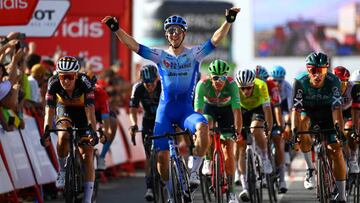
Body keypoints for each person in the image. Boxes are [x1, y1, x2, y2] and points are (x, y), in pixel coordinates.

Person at [102, 7, 240, 202]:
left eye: (177, 30)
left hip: (185, 110)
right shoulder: (160, 56)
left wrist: (229, 21)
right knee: (162, 158)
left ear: (183, 33)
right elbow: (134, 45)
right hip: (164, 112)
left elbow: (215, 39)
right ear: (166, 35)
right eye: (170, 31)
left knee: (203, 127)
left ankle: (194, 171)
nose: (173, 34)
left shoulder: (194, 54)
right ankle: (169, 193)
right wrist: (116, 29)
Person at [291, 52, 346, 202]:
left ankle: (341, 196)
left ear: (326, 70)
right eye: (313, 70)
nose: (317, 75)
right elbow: (295, 111)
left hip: (328, 113)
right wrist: (294, 133)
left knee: (336, 150)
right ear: (308, 70)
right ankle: (310, 169)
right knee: (302, 126)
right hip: (308, 112)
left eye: (320, 71)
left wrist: (339, 131)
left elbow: (336, 110)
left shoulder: (334, 81)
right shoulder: (300, 82)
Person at [42, 56, 98, 203]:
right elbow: (49, 109)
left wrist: (93, 129)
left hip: (82, 113)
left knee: (87, 153)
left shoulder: (85, 82)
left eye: (69, 77)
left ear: (76, 75)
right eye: (62, 76)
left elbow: (90, 109)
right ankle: (62, 170)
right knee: (63, 135)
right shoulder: (53, 82)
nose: (66, 81)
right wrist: (46, 130)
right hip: (64, 109)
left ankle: (87, 199)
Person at [194, 59, 242, 203]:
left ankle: (232, 191)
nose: (219, 81)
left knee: (228, 152)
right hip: (209, 110)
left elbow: (237, 111)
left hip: (227, 111)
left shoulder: (232, 85)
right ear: (210, 76)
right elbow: (198, 111)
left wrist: (237, 131)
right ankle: (208, 159)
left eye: (222, 77)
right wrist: (197, 132)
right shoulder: (202, 85)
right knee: (206, 125)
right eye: (215, 77)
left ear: (226, 76)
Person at [234, 69, 273, 202]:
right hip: (241, 111)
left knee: (255, 129)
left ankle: (264, 157)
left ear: (253, 85)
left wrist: (268, 128)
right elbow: (233, 110)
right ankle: (245, 186)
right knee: (240, 148)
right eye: (242, 89)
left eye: (248, 88)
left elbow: (267, 109)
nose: (245, 92)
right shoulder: (234, 89)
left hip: (258, 109)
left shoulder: (261, 85)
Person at [128, 64, 161, 201]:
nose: (150, 86)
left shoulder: (163, 86)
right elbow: (133, 109)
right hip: (148, 121)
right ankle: (149, 187)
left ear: (157, 79)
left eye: (152, 82)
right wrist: (134, 124)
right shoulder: (138, 88)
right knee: (149, 155)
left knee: (165, 151)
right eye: (146, 83)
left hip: (162, 120)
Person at [256, 65, 287, 193]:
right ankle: (257, 171)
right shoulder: (251, 87)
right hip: (257, 115)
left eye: (263, 80)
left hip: (272, 115)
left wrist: (280, 125)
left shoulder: (271, 86)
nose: (260, 83)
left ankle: (282, 179)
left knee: (277, 139)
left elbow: (277, 109)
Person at [86, 72, 116, 171]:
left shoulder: (100, 93)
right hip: (85, 111)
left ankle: (102, 157)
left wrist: (105, 133)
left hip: (99, 112)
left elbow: (105, 118)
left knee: (112, 124)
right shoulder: (78, 91)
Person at [333, 66, 359, 174]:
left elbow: (356, 110)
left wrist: (355, 129)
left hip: (350, 111)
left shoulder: (354, 88)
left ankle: (353, 158)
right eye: (337, 83)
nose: (340, 86)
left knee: (349, 130)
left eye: (343, 83)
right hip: (335, 110)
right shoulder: (328, 87)